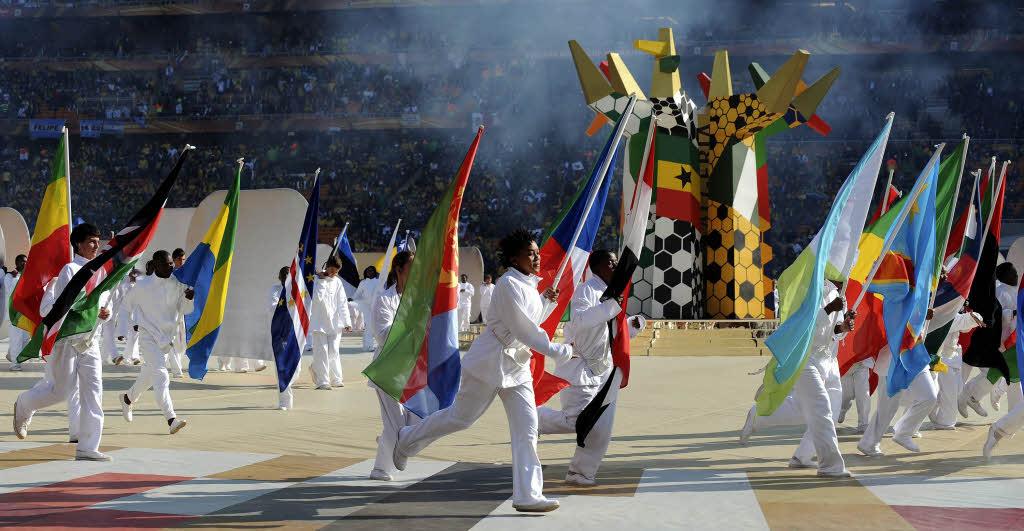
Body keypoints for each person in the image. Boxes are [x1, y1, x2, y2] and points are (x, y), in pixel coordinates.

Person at [394, 228, 574, 513]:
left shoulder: (528, 284)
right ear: (514, 258)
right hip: (488, 363)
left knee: (527, 428)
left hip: (516, 368)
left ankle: (527, 494)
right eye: (531, 253)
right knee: (460, 419)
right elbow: (523, 329)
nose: (538, 257)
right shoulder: (507, 284)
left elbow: (529, 319)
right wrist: (557, 350)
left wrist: (545, 301)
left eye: (538, 252)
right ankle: (407, 438)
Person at [537, 249, 646, 487]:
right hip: (581, 369)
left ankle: (581, 472)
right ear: (596, 267)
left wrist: (630, 325)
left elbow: (607, 333)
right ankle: (533, 419)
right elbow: (581, 321)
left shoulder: (612, 294)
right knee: (576, 422)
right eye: (611, 262)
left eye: (617, 262)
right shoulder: (586, 291)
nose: (616, 266)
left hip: (605, 372)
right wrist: (610, 307)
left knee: (602, 426)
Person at [13, 223, 114, 461]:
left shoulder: (102, 273)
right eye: (91, 241)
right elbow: (62, 305)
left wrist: (103, 313)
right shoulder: (70, 270)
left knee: (94, 393)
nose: (96, 245)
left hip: (90, 343)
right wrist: (92, 309)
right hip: (67, 341)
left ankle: (88, 447)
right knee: (61, 392)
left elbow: (101, 304)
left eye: (97, 241)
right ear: (78, 244)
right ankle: (25, 404)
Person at [784, 279, 856, 477]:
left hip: (829, 360)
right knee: (820, 411)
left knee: (829, 414)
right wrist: (829, 309)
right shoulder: (809, 287)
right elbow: (804, 322)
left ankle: (801, 457)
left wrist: (844, 326)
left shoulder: (839, 294)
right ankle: (831, 465)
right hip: (807, 358)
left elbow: (834, 331)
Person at [118, 250, 194, 434]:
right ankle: (171, 419)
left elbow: (185, 310)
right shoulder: (142, 286)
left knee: (149, 375)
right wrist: (122, 331)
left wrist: (188, 299)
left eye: (171, 264)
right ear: (156, 264)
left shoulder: (177, 284)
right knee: (161, 376)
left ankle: (127, 398)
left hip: (167, 339)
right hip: (148, 336)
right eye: (167, 264)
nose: (171, 266)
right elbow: (124, 307)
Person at [369, 250, 418, 481]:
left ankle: (387, 442)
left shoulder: (418, 299)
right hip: (388, 370)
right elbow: (382, 335)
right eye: (412, 268)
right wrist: (408, 324)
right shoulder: (384, 299)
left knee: (415, 420)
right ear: (399, 270)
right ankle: (381, 468)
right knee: (396, 423)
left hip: (412, 371)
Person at [960, 263, 1019, 418]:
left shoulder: (1015, 291)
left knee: (997, 373)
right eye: (1012, 274)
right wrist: (1013, 312)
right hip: (999, 339)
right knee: (995, 372)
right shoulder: (999, 292)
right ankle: (969, 395)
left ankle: (972, 396)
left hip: (1012, 338)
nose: (1016, 276)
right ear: (1003, 276)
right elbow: (996, 314)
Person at [930, 304, 985, 430]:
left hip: (954, 355)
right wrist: (971, 317)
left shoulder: (955, 309)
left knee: (957, 389)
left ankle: (930, 410)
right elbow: (957, 322)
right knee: (949, 393)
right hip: (941, 355)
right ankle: (944, 423)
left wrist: (968, 315)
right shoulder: (941, 311)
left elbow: (964, 328)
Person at [309, 256, 352, 390]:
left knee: (333, 351)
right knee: (321, 352)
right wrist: (322, 280)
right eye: (332, 270)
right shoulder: (315, 279)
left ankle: (335, 378)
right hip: (319, 322)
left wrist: (347, 322)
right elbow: (316, 299)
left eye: (337, 271)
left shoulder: (337, 282)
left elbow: (342, 303)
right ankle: (322, 381)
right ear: (327, 267)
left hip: (334, 323)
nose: (334, 274)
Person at [167, 247, 188, 379]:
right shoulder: (170, 275)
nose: (182, 261)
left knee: (182, 343)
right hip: (170, 311)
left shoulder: (187, 274)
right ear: (174, 260)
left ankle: (175, 363)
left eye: (184, 259)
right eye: (179, 259)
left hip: (182, 311)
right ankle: (176, 369)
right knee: (172, 340)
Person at [5, 254, 28, 371]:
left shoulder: (28, 277)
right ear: (16, 263)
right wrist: (15, 278)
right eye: (21, 261)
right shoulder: (9, 277)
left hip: (24, 314)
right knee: (16, 339)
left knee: (26, 339)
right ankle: (15, 364)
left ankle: (11, 354)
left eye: (25, 261)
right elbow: (11, 292)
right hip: (13, 314)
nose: (24, 263)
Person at [354, 266, 379, 351]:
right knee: (369, 327)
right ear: (366, 273)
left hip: (377, 307)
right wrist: (352, 299)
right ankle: (369, 346)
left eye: (371, 270)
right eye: (368, 271)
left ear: (374, 272)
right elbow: (358, 293)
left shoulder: (379, 281)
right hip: (366, 307)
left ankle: (367, 345)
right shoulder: (363, 283)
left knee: (374, 327)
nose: (370, 272)